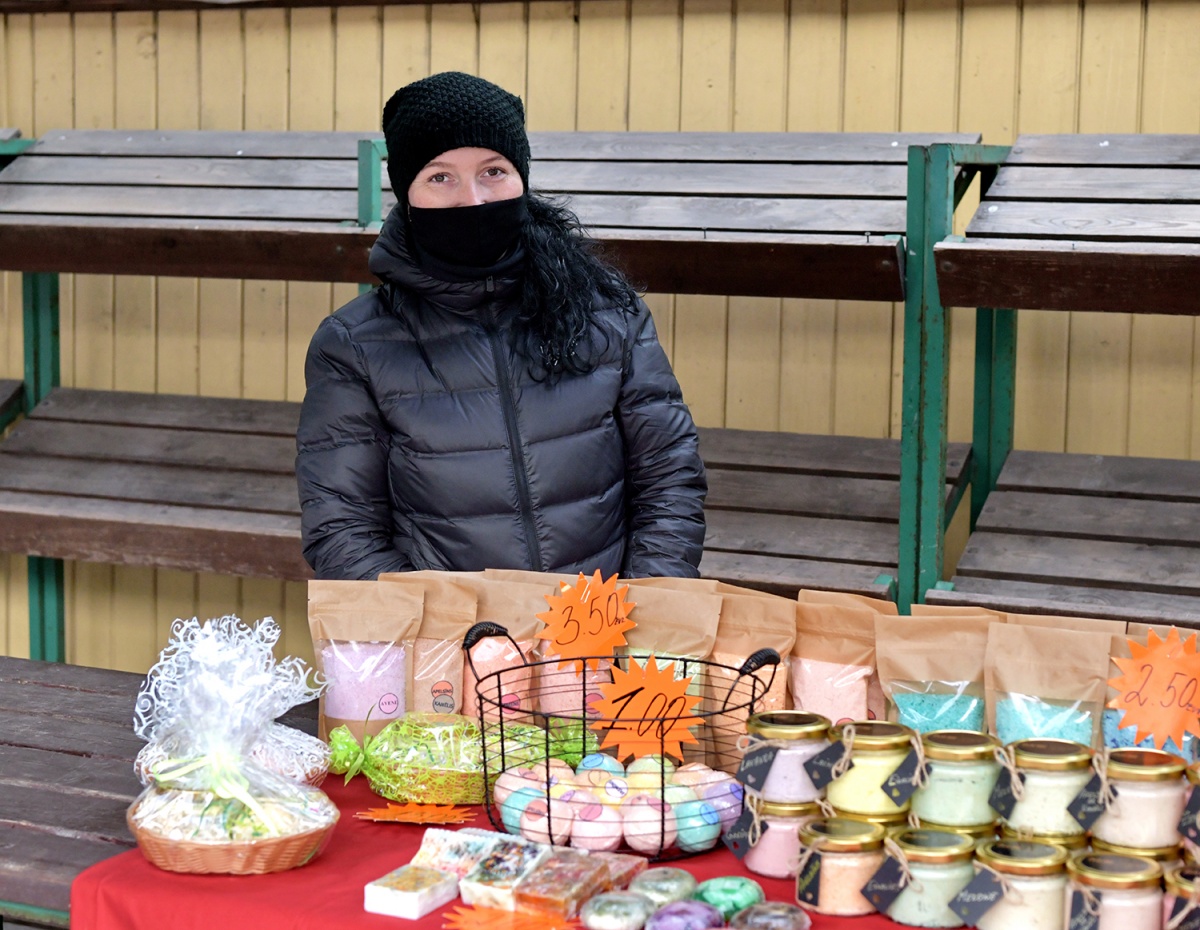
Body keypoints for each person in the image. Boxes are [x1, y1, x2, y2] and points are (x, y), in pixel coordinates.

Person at [296, 71, 707, 581]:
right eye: (440, 177)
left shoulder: (608, 312)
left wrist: (643, 608)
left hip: (605, 621)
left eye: (493, 171)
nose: (472, 200)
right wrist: (460, 626)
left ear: (522, 178)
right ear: (406, 193)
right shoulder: (354, 346)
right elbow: (343, 530)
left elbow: (668, 479)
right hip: (449, 629)